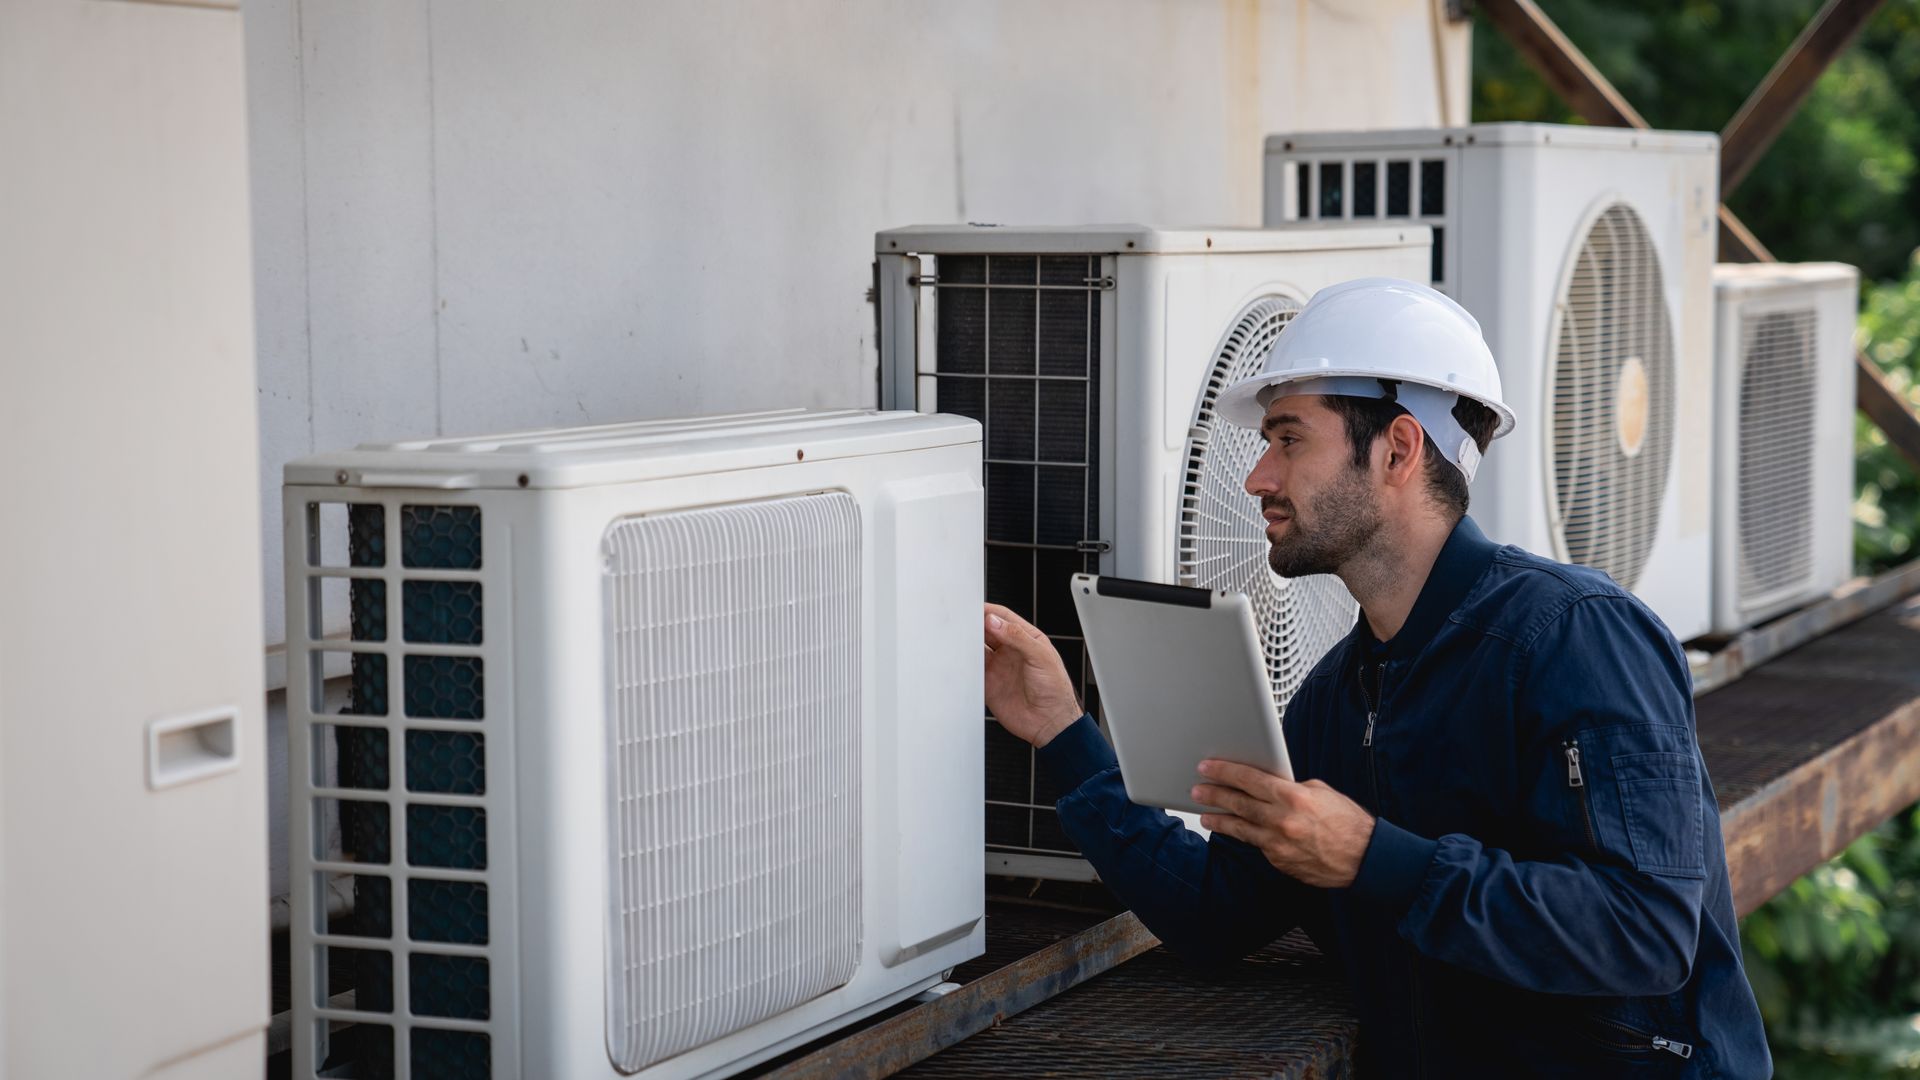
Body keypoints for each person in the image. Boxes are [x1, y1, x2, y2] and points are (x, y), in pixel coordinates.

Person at [981, 278, 1771, 1077]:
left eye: (1289, 440)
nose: (1257, 478)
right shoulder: (1336, 698)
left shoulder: (1577, 635)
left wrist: (1371, 858)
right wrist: (1061, 731)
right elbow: (1215, 913)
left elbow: (1645, 932)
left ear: (1398, 449)